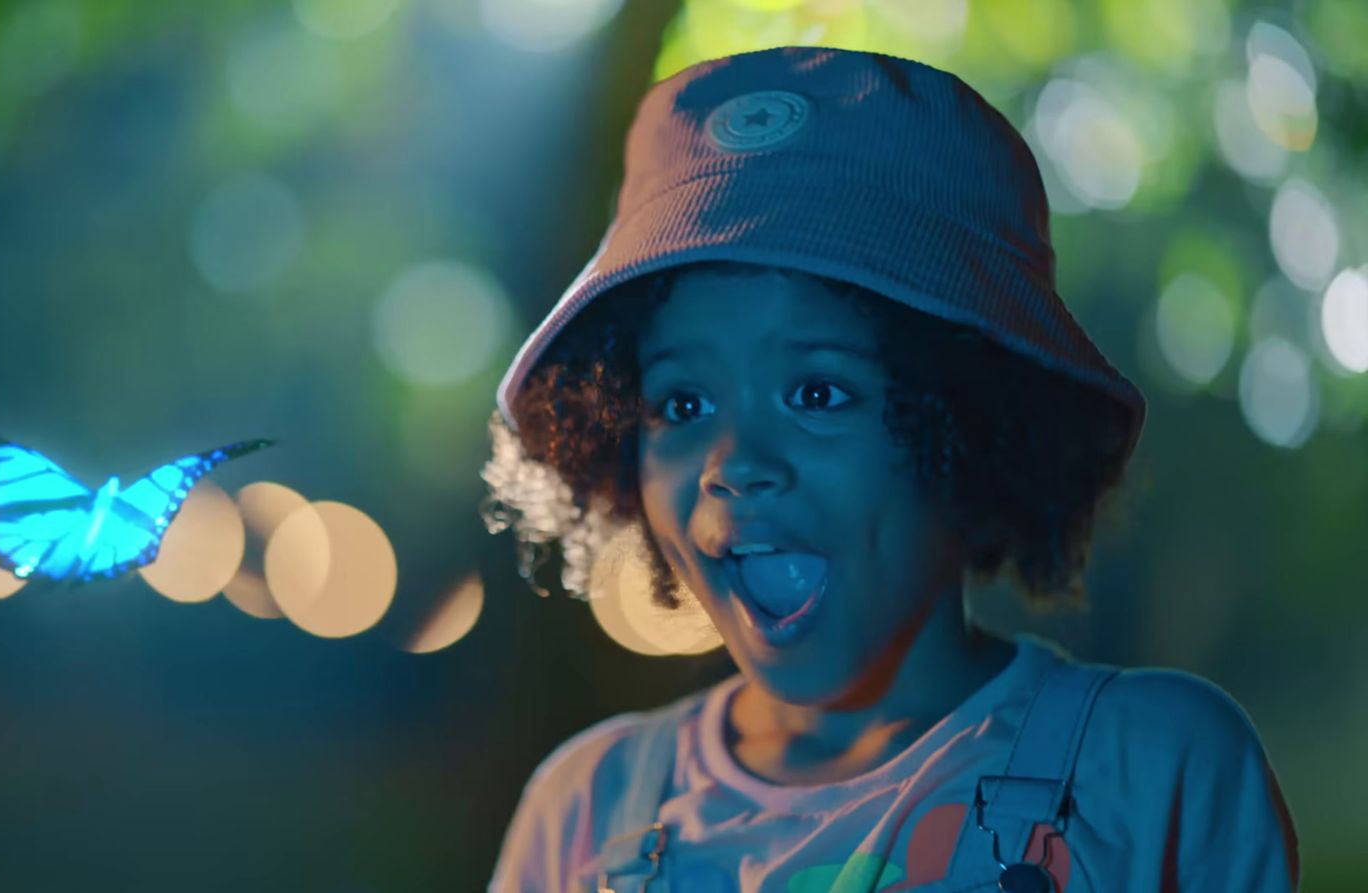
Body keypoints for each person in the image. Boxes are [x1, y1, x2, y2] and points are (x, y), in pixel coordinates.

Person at [478, 46, 1300, 892]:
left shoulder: (1147, 770)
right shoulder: (583, 811)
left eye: (819, 390)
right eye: (681, 405)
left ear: (973, 422)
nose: (737, 464)